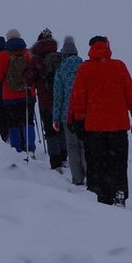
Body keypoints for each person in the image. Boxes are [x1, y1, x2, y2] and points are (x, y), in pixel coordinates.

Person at [67, 36, 132, 206]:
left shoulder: (85, 69)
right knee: (118, 163)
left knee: (97, 165)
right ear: (108, 47)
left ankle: (100, 197)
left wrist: (78, 119)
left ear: (90, 48)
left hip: (94, 129)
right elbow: (130, 93)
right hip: (118, 127)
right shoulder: (119, 66)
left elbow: (79, 98)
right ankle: (119, 192)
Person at [26, 28, 66, 170]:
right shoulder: (59, 56)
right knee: (61, 128)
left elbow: (29, 80)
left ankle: (55, 163)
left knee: (50, 131)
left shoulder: (36, 59)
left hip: (45, 100)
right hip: (61, 100)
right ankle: (64, 157)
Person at [0, 28, 34, 151]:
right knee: (28, 121)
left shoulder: (4, 55)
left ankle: (16, 147)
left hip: (10, 96)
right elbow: (32, 73)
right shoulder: (27, 54)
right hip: (27, 93)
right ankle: (30, 145)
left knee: (13, 123)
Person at [52, 36, 86, 186]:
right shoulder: (84, 67)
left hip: (67, 114)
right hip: (84, 113)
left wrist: (56, 117)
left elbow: (58, 95)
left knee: (72, 146)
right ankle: (90, 176)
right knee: (85, 145)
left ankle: (77, 178)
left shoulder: (61, 70)